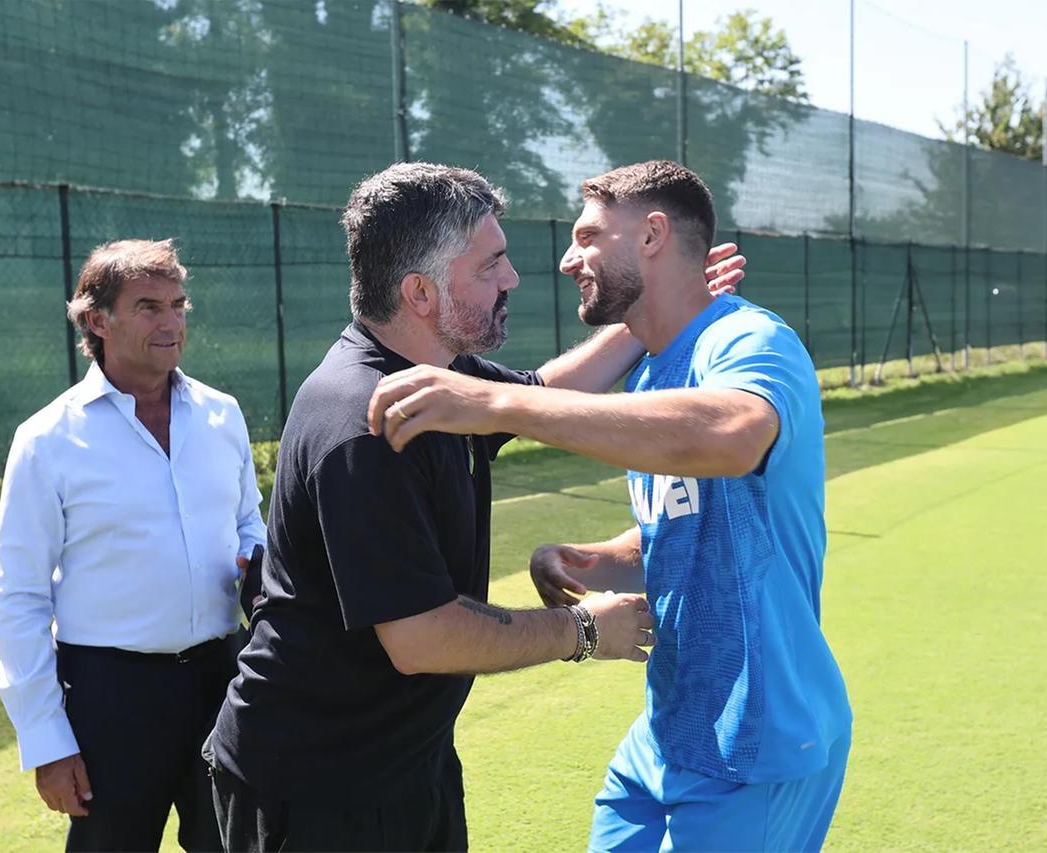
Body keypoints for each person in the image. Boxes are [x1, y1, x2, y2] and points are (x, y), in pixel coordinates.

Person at [203, 162, 744, 852]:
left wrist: (654, 302)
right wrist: (582, 628)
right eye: (490, 266)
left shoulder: (442, 378)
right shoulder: (361, 423)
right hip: (315, 789)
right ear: (421, 292)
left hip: (403, 764)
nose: (513, 278)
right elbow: (422, 638)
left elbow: (547, 389)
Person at [367, 160, 852, 851]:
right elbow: (685, 522)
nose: (567, 260)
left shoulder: (750, 341)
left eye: (589, 236)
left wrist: (497, 402)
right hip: (668, 732)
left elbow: (732, 434)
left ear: (652, 235)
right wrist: (594, 560)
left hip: (759, 741)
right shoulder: (653, 366)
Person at [0, 238, 266, 852]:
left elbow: (250, 524)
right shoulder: (47, 440)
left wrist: (253, 559)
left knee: (239, 845)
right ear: (96, 320)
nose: (171, 322)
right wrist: (48, 741)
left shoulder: (224, 415)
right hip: (112, 699)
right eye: (147, 306)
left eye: (179, 303)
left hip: (224, 682)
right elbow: (17, 596)